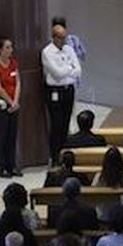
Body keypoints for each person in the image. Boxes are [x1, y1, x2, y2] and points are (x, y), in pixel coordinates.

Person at [40, 17, 83, 163]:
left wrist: (67, 70)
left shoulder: (69, 49)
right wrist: (69, 68)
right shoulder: (47, 52)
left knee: (65, 124)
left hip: (68, 90)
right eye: (61, 38)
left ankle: (65, 155)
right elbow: (57, 74)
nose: (64, 41)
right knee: (56, 124)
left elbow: (78, 70)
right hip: (55, 91)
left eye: (65, 37)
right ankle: (55, 156)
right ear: (54, 38)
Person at [0, 35, 23, 177]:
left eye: (11, 47)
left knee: (12, 136)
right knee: (1, 136)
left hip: (13, 105)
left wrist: (15, 101)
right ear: (0, 49)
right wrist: (9, 101)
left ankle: (11, 165)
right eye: (7, 47)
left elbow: (18, 82)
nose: (10, 50)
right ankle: (0, 167)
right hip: (1, 104)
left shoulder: (13, 63)